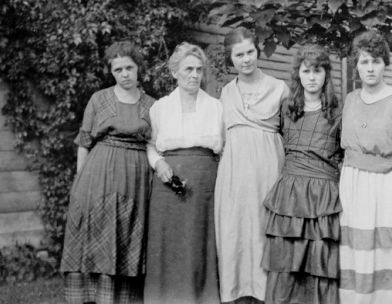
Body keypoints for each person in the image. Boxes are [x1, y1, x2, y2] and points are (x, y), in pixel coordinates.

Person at [60, 41, 155, 304]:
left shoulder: (153, 105)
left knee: (129, 236)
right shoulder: (99, 99)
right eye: (118, 70)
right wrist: (80, 185)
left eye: (129, 68)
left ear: (139, 68)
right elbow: (84, 142)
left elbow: (155, 145)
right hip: (98, 176)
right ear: (111, 72)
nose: (124, 74)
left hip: (136, 180)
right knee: (99, 233)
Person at [338, 31, 392, 303]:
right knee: (359, 254)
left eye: (376, 61)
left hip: (388, 187)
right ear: (356, 65)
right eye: (364, 62)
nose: (370, 68)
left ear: (385, 63)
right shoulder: (350, 100)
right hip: (353, 187)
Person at [262, 44, 343, 304]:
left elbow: (346, 154)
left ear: (326, 75)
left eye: (317, 71)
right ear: (298, 74)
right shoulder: (287, 108)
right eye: (306, 71)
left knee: (319, 264)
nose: (311, 77)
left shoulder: (338, 113)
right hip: (290, 195)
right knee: (286, 262)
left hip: (323, 196)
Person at [144, 43, 223, 304]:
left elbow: (224, 148)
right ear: (174, 72)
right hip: (169, 187)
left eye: (199, 70)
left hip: (205, 185)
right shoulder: (160, 108)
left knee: (200, 243)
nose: (194, 75)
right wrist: (159, 165)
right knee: (169, 246)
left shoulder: (216, 107)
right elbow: (151, 146)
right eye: (188, 69)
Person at [215, 27, 289, 303]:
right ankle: (236, 292)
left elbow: (291, 134)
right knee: (235, 231)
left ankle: (267, 293)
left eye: (250, 52)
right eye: (239, 55)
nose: (245, 59)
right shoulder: (225, 93)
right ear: (230, 58)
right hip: (234, 174)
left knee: (263, 230)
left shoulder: (279, 89)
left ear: (258, 52)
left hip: (268, 170)